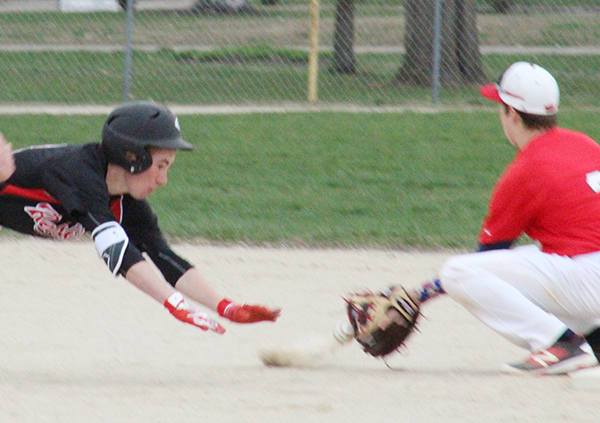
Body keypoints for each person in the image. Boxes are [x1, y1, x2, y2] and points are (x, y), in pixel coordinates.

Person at [0, 101, 280, 335]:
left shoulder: (126, 201)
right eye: (160, 166)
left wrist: (226, 307)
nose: (163, 179)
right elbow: (115, 251)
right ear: (132, 156)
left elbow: (164, 258)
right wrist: (174, 304)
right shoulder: (79, 172)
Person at [408, 62, 600, 375]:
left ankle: (559, 343)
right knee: (536, 259)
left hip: (588, 279)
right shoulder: (583, 143)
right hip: (587, 275)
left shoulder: (525, 170)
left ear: (511, 113)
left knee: (457, 271)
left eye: (501, 107)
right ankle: (593, 339)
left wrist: (419, 295)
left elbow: (486, 260)